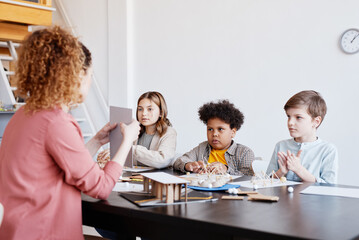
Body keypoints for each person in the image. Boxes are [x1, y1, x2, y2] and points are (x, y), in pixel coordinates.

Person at [0, 26, 140, 240]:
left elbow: (57, 167)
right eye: (90, 75)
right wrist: (126, 142)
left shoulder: (23, 115)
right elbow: (101, 187)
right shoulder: (57, 122)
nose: (90, 82)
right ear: (77, 75)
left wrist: (95, 142)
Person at [266, 90, 338, 183]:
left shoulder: (328, 150)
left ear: (316, 122)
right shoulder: (280, 146)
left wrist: (299, 170)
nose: (290, 122)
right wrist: (281, 172)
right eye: (288, 116)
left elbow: (330, 186)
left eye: (298, 117)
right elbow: (266, 181)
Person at [173, 100, 255, 175]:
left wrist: (226, 169)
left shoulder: (244, 153)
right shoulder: (201, 148)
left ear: (233, 132)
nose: (214, 134)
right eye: (210, 129)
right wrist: (188, 165)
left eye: (220, 129)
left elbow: (248, 176)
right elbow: (178, 161)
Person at [98, 91, 177, 169]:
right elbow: (126, 159)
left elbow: (162, 160)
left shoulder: (169, 132)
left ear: (161, 112)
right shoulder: (134, 130)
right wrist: (110, 157)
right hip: (134, 178)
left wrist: (131, 149)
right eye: (140, 109)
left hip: (156, 179)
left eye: (149, 109)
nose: (144, 113)